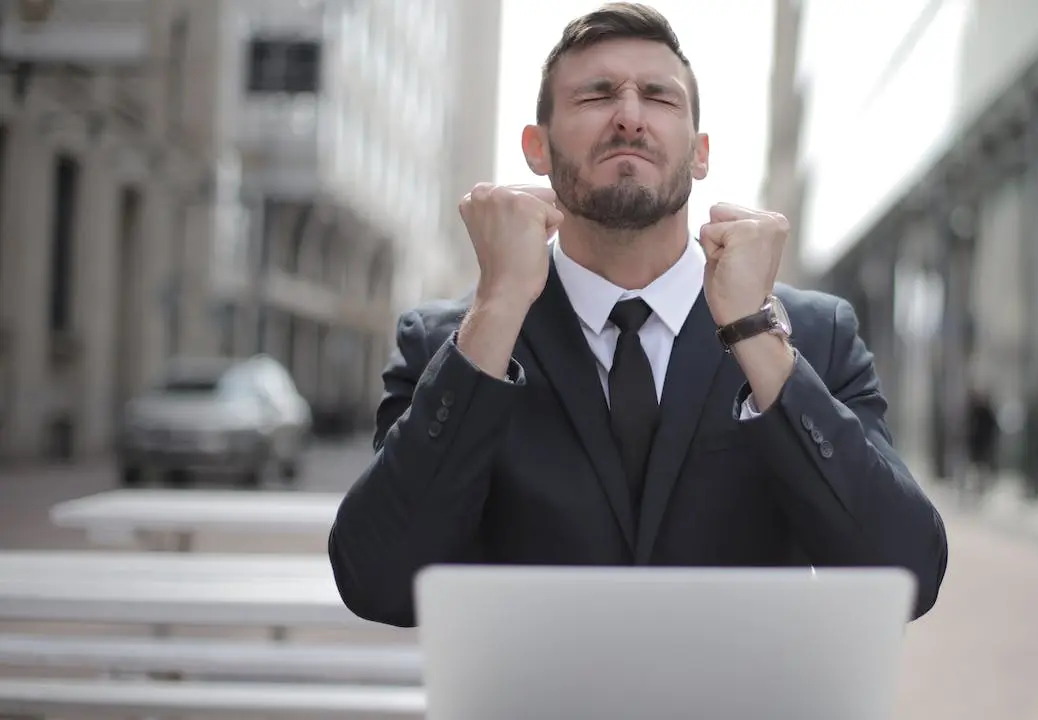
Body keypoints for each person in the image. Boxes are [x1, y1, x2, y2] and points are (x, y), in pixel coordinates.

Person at [329, 2, 948, 628]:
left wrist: (754, 332)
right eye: (596, 96)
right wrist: (498, 307)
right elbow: (377, 581)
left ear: (700, 154)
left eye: (659, 98)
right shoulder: (450, 343)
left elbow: (905, 576)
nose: (629, 117)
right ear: (536, 148)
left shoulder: (814, 335)